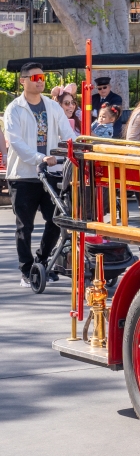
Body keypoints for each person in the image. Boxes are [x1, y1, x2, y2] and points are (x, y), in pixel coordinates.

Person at [4, 62, 76, 289]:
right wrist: (39, 158)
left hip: (51, 173)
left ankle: (41, 263)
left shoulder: (53, 108)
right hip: (23, 175)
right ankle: (26, 270)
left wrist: (78, 148)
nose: (40, 81)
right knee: (24, 226)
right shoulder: (14, 109)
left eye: (42, 77)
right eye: (34, 78)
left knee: (55, 220)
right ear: (23, 81)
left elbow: (67, 134)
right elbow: (15, 142)